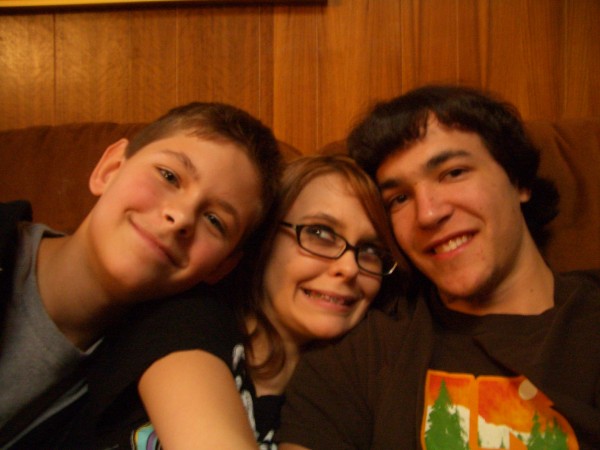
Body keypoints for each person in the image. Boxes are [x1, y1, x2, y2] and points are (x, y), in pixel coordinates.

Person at [276, 85, 600, 449]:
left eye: (454, 172)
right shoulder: (359, 354)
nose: (428, 213)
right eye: (399, 198)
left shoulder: (589, 321)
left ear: (518, 181)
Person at [65, 154, 405, 449]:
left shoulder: (344, 395)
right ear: (264, 240)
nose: (349, 268)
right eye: (320, 233)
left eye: (370, 250)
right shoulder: (187, 319)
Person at [0, 101, 283, 449]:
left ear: (221, 266)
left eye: (215, 221)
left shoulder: (169, 340)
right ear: (110, 169)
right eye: (169, 176)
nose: (181, 217)